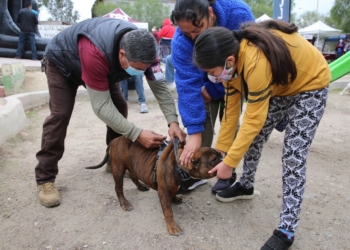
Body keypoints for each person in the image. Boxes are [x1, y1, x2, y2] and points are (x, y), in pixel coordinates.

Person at [193, 21, 331, 249]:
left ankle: (287, 229)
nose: (211, 78)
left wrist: (229, 163)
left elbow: (253, 119)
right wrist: (222, 152)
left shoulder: (255, 61)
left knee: (293, 157)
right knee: (255, 138)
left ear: (229, 61)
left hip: (310, 86)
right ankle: (246, 185)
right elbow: (230, 112)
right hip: (281, 86)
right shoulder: (231, 68)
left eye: (211, 72)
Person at [35, 18, 187, 208]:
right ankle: (45, 178)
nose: (142, 73)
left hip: (105, 68)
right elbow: (101, 107)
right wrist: (136, 133)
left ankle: (115, 159)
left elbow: (160, 88)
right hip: (63, 64)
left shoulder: (147, 52)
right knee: (60, 115)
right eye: (138, 68)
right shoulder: (94, 51)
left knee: (120, 107)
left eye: (145, 68)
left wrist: (173, 122)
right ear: (122, 54)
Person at [170, 0, 254, 193]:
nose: (193, 37)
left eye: (197, 29)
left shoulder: (238, 14)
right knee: (201, 120)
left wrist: (216, 88)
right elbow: (186, 85)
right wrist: (194, 132)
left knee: (230, 121)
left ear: (210, 13)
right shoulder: (181, 41)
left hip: (233, 76)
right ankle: (199, 170)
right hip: (204, 83)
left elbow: (248, 61)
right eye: (186, 32)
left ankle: (227, 168)